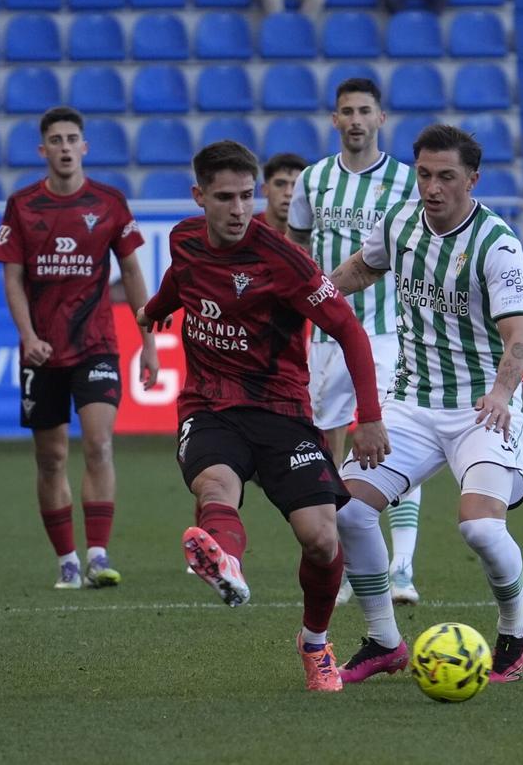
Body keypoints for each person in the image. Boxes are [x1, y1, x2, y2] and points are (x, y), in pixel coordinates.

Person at [136, 140, 390, 693]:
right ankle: (225, 561)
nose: (238, 209)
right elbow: (181, 282)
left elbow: (348, 329)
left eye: (247, 196)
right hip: (210, 405)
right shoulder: (184, 239)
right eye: (224, 197)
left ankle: (315, 643)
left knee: (322, 538)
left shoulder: (284, 261)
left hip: (282, 411)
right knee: (215, 484)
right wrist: (154, 313)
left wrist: (367, 416)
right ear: (198, 196)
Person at [328, 124, 523, 684]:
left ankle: (514, 629)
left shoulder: (498, 243)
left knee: (482, 531)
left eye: (446, 176)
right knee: (347, 511)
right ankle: (383, 640)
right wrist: (316, 294)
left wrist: (500, 392)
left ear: (472, 178)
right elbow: (363, 268)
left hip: (482, 409)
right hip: (413, 402)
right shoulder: (398, 223)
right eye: (424, 175)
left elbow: (519, 335)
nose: (433, 188)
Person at [0, 106, 160, 590]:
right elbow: (13, 278)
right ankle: (66, 559)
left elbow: (131, 273)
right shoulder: (22, 205)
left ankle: (97, 556)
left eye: (73, 139)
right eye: (56, 141)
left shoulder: (109, 203)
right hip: (41, 352)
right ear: (43, 150)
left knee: (100, 443)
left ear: (84, 147)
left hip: (97, 345)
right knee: (50, 459)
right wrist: (28, 338)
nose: (65, 148)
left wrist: (148, 341)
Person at [287, 77, 423, 607]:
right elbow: (296, 243)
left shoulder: (407, 181)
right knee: (326, 445)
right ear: (335, 120)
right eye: (347, 111)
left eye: (366, 110)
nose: (357, 119)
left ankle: (403, 567)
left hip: (389, 331)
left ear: (381, 119)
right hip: (326, 337)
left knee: (397, 441)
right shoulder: (314, 180)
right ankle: (343, 565)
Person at [255, 152, 307, 235]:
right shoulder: (246, 230)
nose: (288, 192)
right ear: (265, 189)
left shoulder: (316, 235)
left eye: (296, 185)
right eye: (280, 184)